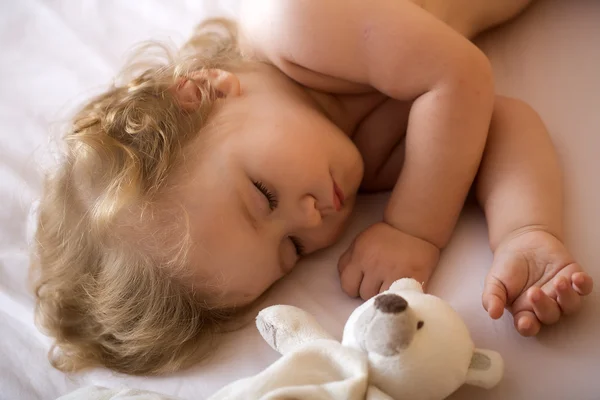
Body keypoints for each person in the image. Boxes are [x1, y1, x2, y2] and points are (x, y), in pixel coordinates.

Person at [31, 0, 593, 375]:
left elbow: (460, 75)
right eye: (291, 249)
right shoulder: (354, 157)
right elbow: (497, 124)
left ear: (204, 93)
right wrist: (525, 231)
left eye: (264, 196)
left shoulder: (294, 21)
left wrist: (414, 228)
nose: (313, 217)